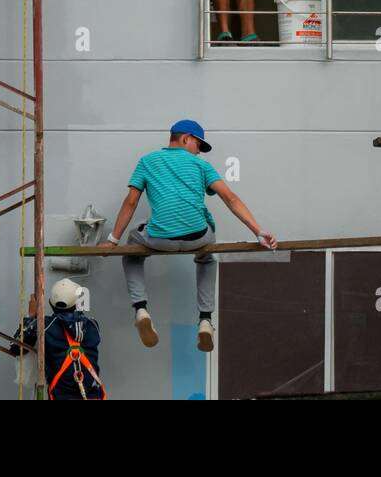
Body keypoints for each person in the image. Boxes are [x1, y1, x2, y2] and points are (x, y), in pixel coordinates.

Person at [101, 119, 278, 352]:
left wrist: (112, 240)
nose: (198, 152)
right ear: (185, 138)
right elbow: (230, 198)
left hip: (160, 239)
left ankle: (140, 308)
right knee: (206, 256)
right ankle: (205, 319)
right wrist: (258, 231)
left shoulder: (147, 161)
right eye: (198, 145)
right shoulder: (201, 166)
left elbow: (131, 201)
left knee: (132, 250)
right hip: (198, 236)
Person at [11, 277, 106, 400]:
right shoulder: (93, 325)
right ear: (78, 303)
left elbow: (16, 348)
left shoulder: (44, 325)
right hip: (93, 396)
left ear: (51, 304)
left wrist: (31, 316)